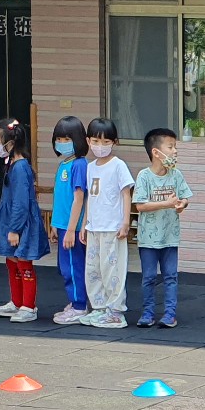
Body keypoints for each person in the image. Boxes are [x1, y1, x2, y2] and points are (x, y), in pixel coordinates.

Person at [0, 118, 50, 322]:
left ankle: (28, 306)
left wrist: (15, 229)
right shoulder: (11, 163)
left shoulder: (21, 167)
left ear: (11, 143)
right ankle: (16, 302)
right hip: (11, 221)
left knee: (23, 261)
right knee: (12, 259)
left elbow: (21, 202)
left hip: (21, 224)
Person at [132, 126, 192, 328]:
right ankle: (147, 313)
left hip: (170, 237)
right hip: (148, 239)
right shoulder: (144, 176)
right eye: (171, 147)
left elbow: (185, 197)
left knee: (170, 276)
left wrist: (181, 204)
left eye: (175, 147)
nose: (175, 151)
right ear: (156, 152)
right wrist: (166, 203)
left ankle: (169, 314)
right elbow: (140, 205)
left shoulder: (176, 175)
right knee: (148, 277)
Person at [80, 117, 134, 329]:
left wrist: (125, 222)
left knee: (112, 269)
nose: (100, 146)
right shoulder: (90, 167)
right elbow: (89, 197)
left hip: (113, 227)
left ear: (114, 142)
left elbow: (126, 193)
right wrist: (85, 224)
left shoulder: (118, 165)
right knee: (93, 269)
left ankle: (116, 312)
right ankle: (99, 307)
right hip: (94, 227)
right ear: (88, 141)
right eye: (95, 141)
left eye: (105, 142)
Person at [49, 116, 90, 324]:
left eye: (67, 139)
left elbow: (79, 198)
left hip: (72, 228)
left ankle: (79, 305)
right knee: (66, 267)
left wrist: (72, 229)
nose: (62, 143)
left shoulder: (79, 165)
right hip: (64, 226)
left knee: (74, 268)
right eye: (59, 139)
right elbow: (61, 199)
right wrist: (55, 225)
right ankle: (75, 302)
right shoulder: (64, 164)